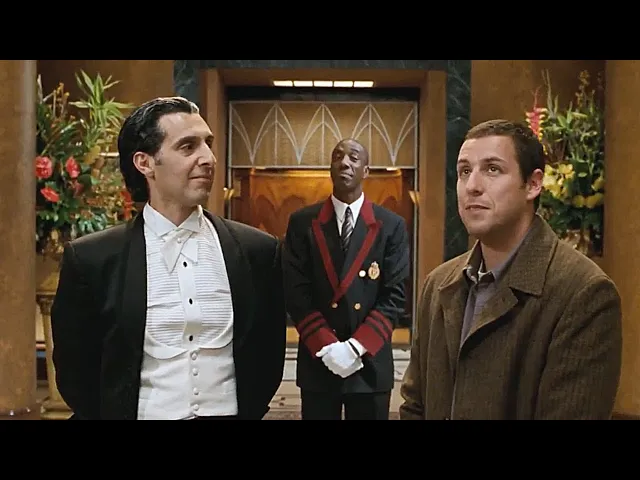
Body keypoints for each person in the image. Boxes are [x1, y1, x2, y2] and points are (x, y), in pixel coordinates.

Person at [51, 96, 287, 420]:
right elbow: (75, 370)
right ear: (145, 163)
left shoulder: (257, 250)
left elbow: (268, 355)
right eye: (188, 147)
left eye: (208, 144)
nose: (208, 158)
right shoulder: (92, 258)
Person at [399, 119, 622, 420]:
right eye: (464, 171)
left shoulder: (584, 293)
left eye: (492, 169)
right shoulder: (438, 283)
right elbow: (414, 406)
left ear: (533, 184)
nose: (472, 186)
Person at [282, 138, 410, 420]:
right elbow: (295, 291)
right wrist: (327, 346)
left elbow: (395, 295)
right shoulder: (302, 222)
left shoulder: (391, 226)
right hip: (319, 359)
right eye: (338, 156)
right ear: (330, 167)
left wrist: (355, 347)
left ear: (366, 170)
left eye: (354, 157)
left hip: (369, 362)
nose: (344, 163)